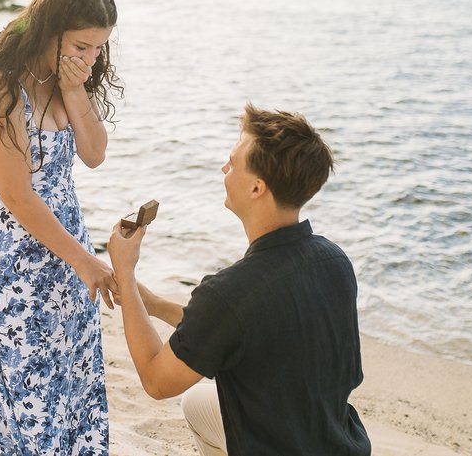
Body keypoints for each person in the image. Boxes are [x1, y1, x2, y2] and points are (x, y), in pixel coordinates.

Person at [107, 105, 371, 456]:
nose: (224, 169)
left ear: (257, 188)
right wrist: (151, 305)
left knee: (192, 400)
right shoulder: (334, 260)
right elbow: (234, 327)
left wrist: (124, 271)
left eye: (232, 162)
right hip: (340, 443)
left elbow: (157, 380)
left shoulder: (229, 292)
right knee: (200, 402)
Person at [0, 0, 123, 455]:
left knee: (74, 391)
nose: (90, 58)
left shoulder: (66, 80)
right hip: (6, 267)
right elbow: (16, 196)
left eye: (98, 48)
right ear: (49, 31)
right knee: (33, 407)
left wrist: (76, 92)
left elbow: (94, 154)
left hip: (65, 257)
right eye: (81, 46)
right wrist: (86, 261)